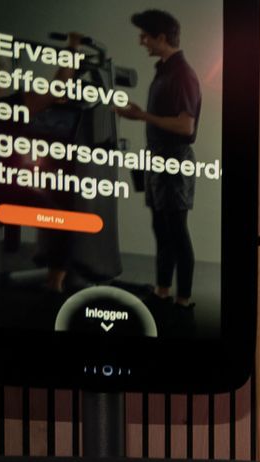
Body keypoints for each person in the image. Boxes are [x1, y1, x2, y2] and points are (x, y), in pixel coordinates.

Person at [115, 9, 201, 308]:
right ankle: (162, 292)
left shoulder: (183, 74)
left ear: (161, 38)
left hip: (174, 161)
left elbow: (185, 125)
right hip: (156, 161)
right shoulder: (164, 70)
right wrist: (140, 115)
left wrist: (141, 116)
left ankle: (183, 300)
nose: (142, 41)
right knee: (161, 229)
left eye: (145, 36)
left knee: (176, 231)